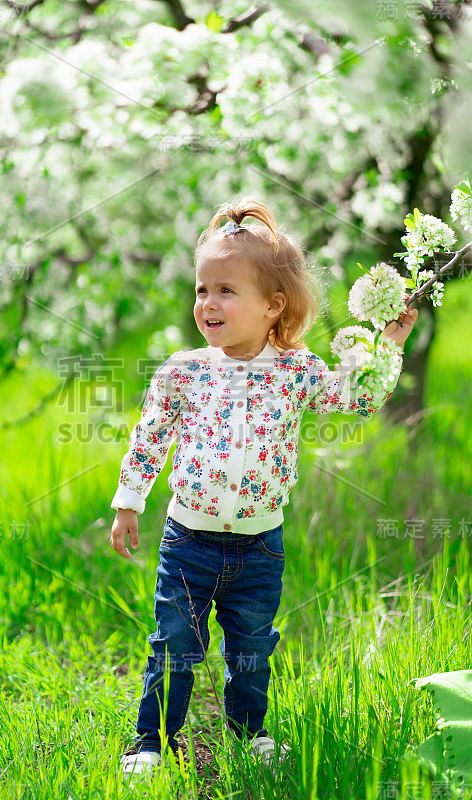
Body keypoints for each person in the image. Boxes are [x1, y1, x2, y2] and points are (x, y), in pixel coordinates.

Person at [109, 198, 418, 783]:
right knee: (175, 642)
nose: (207, 304)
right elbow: (150, 436)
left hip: (260, 544)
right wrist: (129, 500)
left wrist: (391, 343)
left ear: (273, 305)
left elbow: (353, 400)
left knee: (250, 647)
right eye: (202, 290)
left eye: (225, 290)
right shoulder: (184, 370)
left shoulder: (297, 372)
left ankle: (249, 731)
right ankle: (152, 741)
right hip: (189, 539)